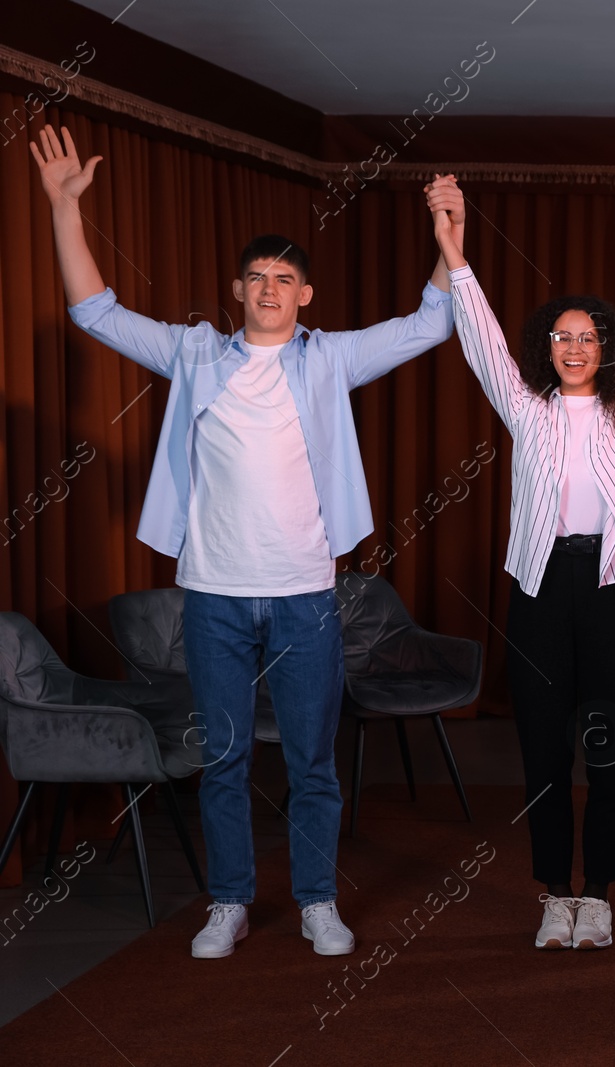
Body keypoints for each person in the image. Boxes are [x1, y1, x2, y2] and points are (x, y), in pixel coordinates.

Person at [31, 125, 463, 959]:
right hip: (216, 594)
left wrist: (449, 241)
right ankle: (228, 900)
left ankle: (315, 901)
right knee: (223, 756)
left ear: (307, 296)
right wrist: (62, 210)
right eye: (258, 276)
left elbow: (429, 324)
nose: (271, 288)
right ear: (237, 288)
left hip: (305, 593)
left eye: (286, 279)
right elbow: (96, 312)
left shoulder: (330, 359)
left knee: (311, 760)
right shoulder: (194, 353)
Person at [424, 177, 615, 950]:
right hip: (540, 588)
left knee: (612, 742)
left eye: (589, 337)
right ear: (547, 346)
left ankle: (600, 893)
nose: (576, 347)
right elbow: (476, 335)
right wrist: (455, 250)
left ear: (608, 346)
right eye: (562, 337)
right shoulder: (526, 408)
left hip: (614, 589)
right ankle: (554, 892)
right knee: (544, 745)